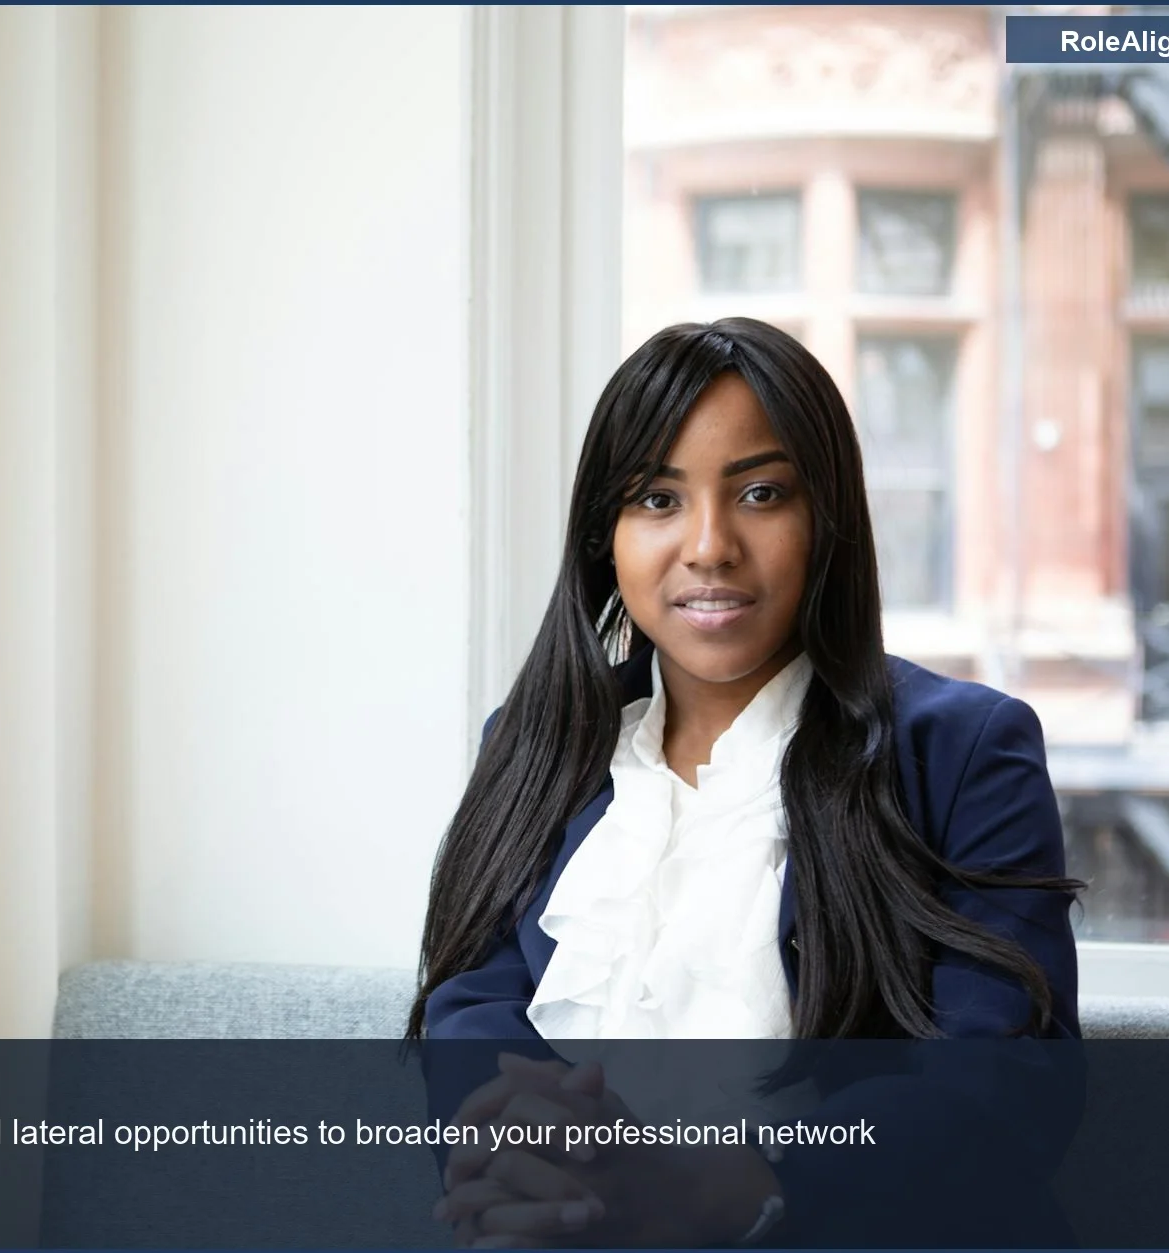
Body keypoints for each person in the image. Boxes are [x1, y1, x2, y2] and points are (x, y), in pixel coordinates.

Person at [409, 318, 1084, 1248]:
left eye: (761, 493)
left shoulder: (967, 751)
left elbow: (1000, 1096)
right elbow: (469, 1007)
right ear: (606, 534)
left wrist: (733, 1185)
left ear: (826, 521)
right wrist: (530, 1154)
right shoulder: (535, 746)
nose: (710, 545)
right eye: (657, 498)